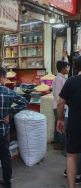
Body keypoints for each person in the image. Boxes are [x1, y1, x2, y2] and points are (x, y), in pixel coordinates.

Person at [57, 56, 81, 187]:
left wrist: (60, 120)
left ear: (77, 68)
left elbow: (61, 103)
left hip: (74, 125)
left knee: (71, 156)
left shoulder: (71, 81)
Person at [52, 61, 69, 152]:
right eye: (67, 67)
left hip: (60, 105)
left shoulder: (62, 78)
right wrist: (61, 108)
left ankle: (57, 142)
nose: (68, 69)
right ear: (63, 69)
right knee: (61, 124)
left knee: (57, 123)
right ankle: (63, 146)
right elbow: (59, 95)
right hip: (59, 105)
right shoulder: (59, 79)